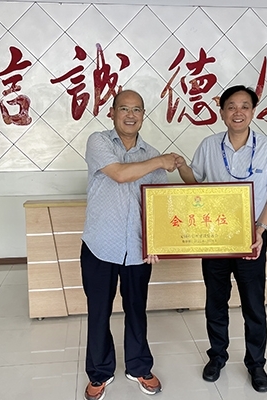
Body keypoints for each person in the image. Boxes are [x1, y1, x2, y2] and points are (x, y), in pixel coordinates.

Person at [174, 85, 267, 393]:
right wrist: (182, 167)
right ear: (222, 112)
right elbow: (195, 183)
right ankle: (217, 357)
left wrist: (260, 229)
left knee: (253, 304)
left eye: (244, 106)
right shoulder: (209, 145)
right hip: (214, 238)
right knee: (215, 301)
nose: (237, 112)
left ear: (253, 112)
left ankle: (256, 364)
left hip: (251, 238)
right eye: (231, 106)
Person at [80, 89, 177, 400]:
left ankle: (139, 367)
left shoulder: (152, 153)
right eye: (124, 109)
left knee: (136, 310)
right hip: (100, 244)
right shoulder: (98, 142)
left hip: (137, 248)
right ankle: (99, 372)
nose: (130, 115)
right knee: (99, 311)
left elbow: (159, 204)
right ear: (112, 112)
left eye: (137, 109)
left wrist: (158, 241)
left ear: (143, 116)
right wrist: (159, 161)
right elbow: (120, 174)